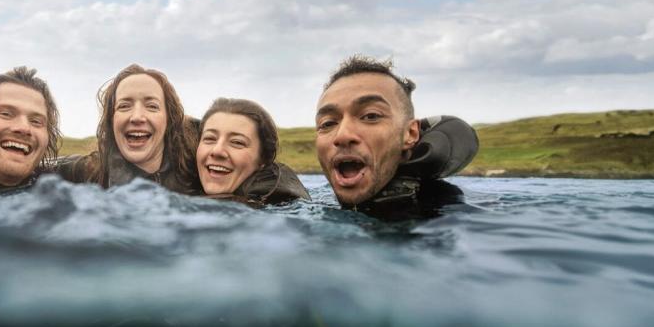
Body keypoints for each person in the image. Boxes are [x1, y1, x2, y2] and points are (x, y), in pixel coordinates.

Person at [315, 55, 477, 216]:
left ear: (411, 133)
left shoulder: (452, 212)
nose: (342, 136)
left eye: (371, 116)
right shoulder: (307, 206)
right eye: (328, 123)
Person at [56, 64, 198, 194]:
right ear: (111, 121)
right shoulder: (85, 172)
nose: (137, 117)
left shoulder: (196, 174)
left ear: (169, 120)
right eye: (124, 106)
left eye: (152, 106)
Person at [196, 98, 310, 206]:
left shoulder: (280, 208)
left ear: (262, 160)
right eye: (209, 138)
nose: (217, 151)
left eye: (237, 142)